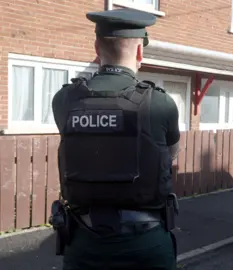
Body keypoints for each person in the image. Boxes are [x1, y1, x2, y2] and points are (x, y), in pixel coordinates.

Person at [50, 8, 181, 270]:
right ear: (140, 52)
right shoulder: (161, 103)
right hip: (147, 245)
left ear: (97, 48)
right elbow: (171, 155)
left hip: (85, 243)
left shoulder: (65, 100)